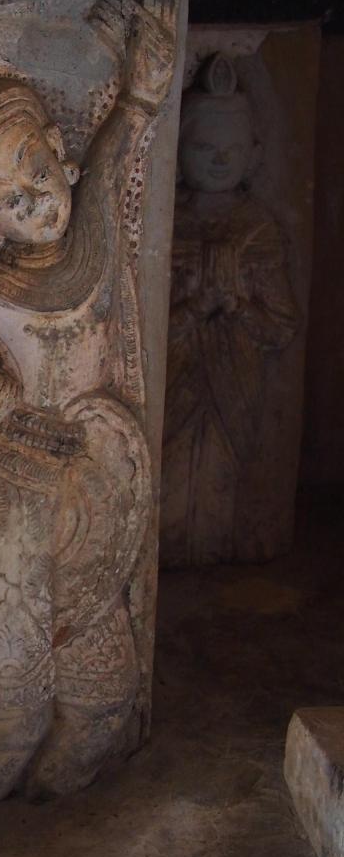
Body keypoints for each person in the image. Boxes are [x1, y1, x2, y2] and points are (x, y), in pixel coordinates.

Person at [0, 0, 176, 804]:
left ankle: (55, 825)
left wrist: (141, 96)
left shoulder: (94, 244)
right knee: (10, 712)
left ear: (61, 156)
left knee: (102, 699)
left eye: (38, 173)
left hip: (94, 498)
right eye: (3, 198)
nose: (32, 200)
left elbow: (115, 161)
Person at [161, 53, 298, 566]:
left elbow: (281, 325)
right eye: (203, 147)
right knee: (168, 472)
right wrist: (194, 308)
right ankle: (168, 555)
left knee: (219, 479)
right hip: (173, 379)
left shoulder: (258, 231)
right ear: (177, 153)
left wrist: (237, 306)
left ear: (254, 155)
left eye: (232, 150)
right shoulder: (164, 224)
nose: (219, 160)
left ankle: (217, 554)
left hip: (234, 384)